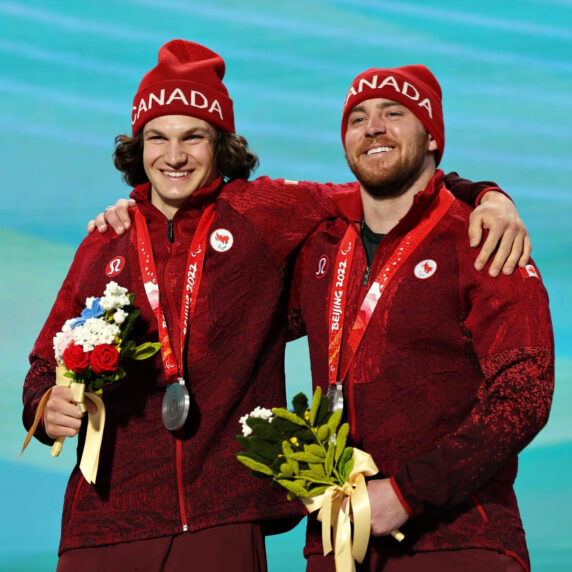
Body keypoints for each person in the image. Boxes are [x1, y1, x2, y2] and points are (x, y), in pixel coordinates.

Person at [23, 40, 531, 571]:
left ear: (220, 143)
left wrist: (487, 194)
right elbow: (43, 367)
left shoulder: (264, 210)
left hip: (224, 518)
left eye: (193, 136)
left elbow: (390, 184)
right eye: (157, 137)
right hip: (101, 523)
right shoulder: (105, 240)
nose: (174, 156)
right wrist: (44, 406)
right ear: (139, 145)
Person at [289, 64, 554, 571]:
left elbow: (525, 394)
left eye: (394, 113)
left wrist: (408, 493)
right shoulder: (318, 245)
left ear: (433, 137)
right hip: (337, 543)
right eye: (358, 118)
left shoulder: (482, 238)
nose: (373, 128)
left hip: (459, 542)